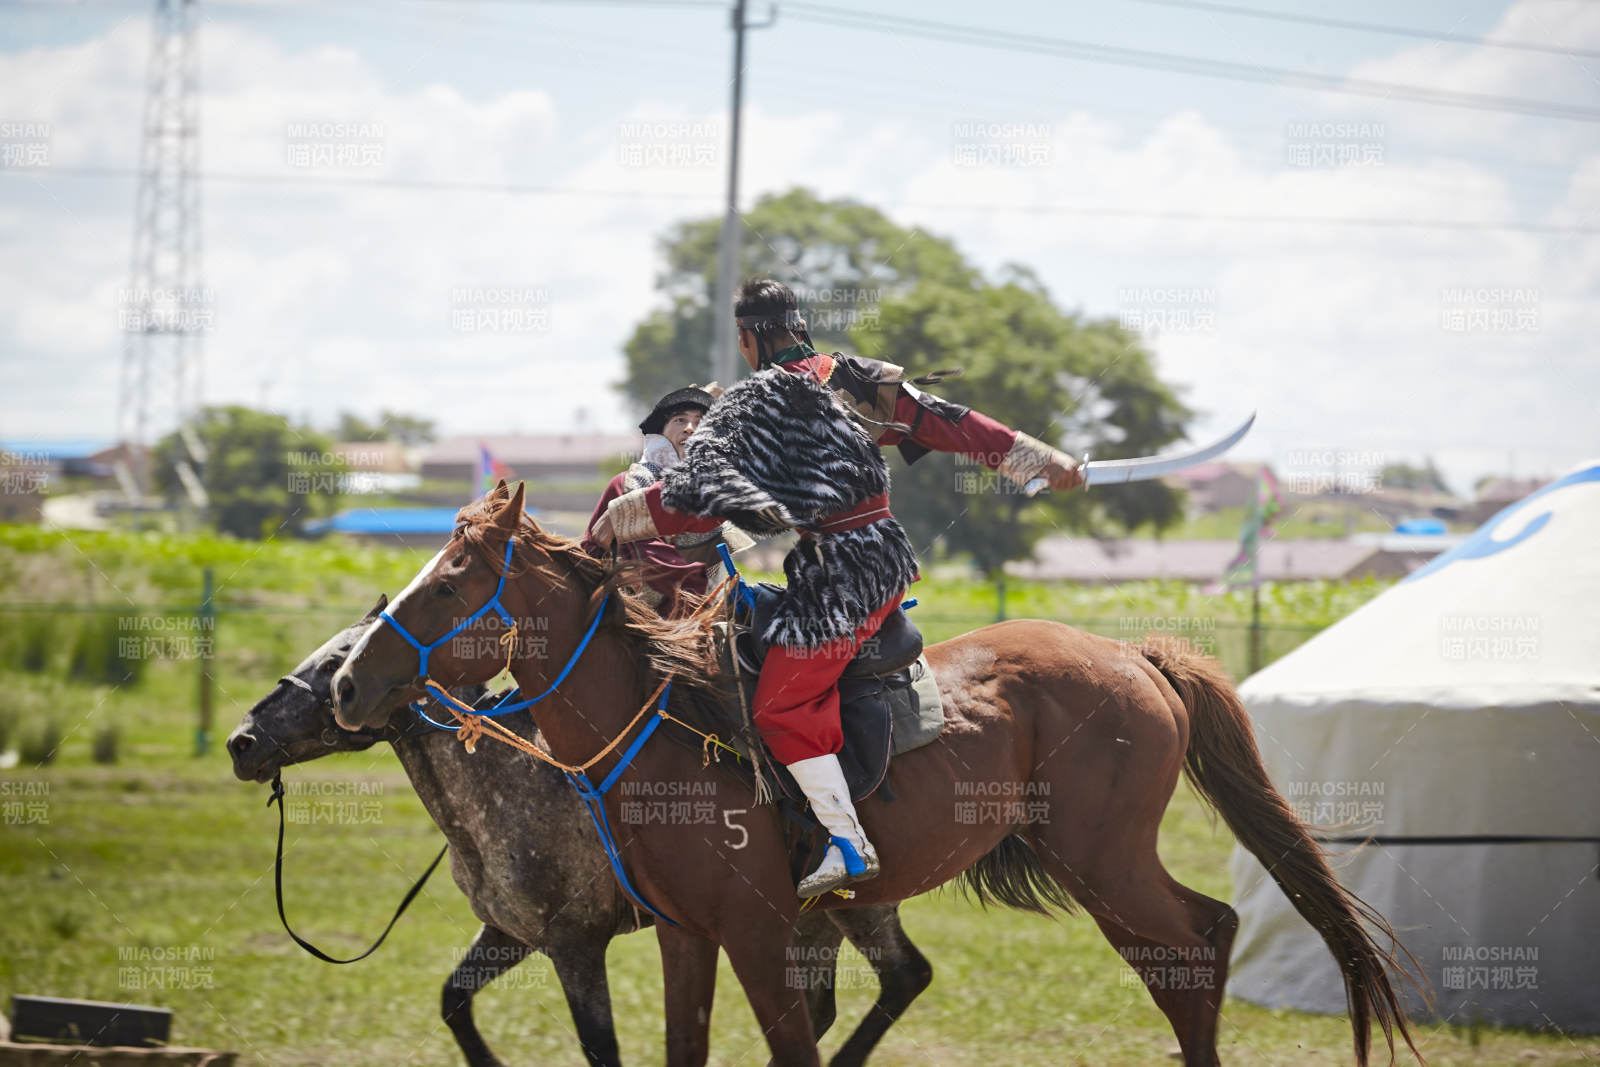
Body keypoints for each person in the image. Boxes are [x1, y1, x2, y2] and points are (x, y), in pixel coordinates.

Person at [590, 279, 1083, 897]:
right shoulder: (847, 375)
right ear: (797, 325)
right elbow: (946, 422)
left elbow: (688, 501)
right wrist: (1036, 459)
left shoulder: (754, 403)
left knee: (778, 706)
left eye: (742, 339)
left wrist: (619, 521)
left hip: (843, 579)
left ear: (747, 338)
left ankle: (847, 843)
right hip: (864, 560)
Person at [584, 384, 752, 618]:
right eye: (680, 420)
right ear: (661, 432)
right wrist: (697, 588)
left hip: (708, 613)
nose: (690, 428)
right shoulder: (630, 483)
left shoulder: (714, 483)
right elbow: (648, 559)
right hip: (640, 622)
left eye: (700, 421)